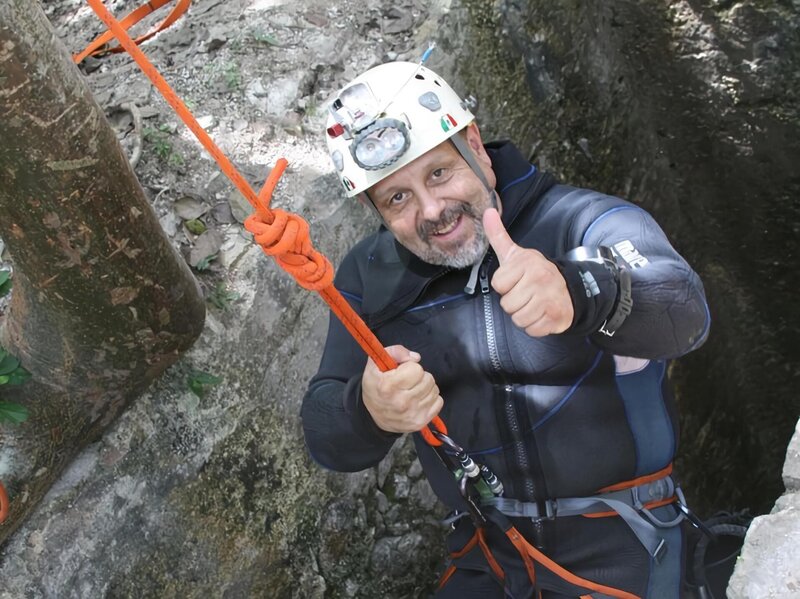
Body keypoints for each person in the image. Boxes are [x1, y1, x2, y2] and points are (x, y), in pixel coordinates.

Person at [275, 60, 709, 598]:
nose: (432, 210)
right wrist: (368, 410)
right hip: (488, 557)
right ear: (375, 209)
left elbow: (685, 313)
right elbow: (327, 439)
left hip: (623, 543)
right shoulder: (369, 276)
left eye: (438, 172)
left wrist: (581, 293)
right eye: (397, 198)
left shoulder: (582, 221)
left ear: (475, 146)